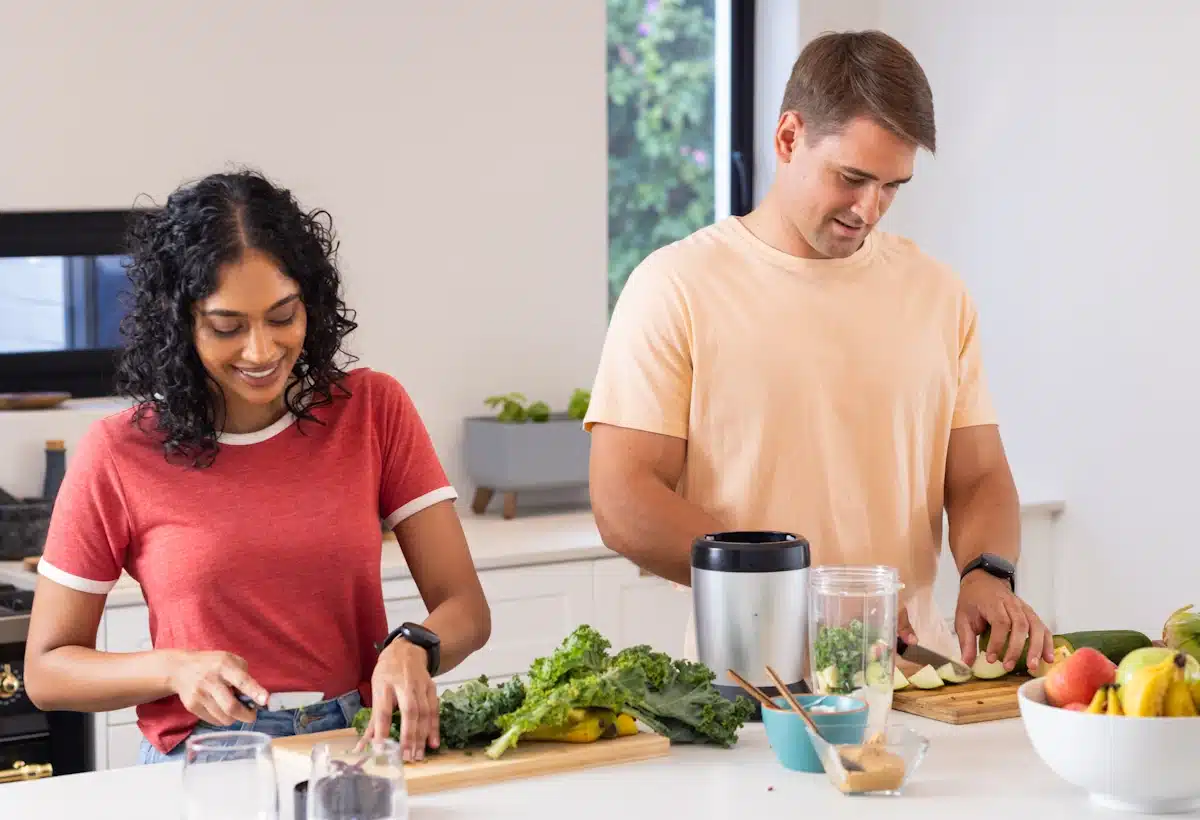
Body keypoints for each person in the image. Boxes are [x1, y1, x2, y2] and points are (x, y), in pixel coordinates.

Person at [584, 30, 1056, 676]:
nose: (869, 209)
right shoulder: (675, 288)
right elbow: (622, 498)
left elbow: (976, 476)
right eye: (852, 177)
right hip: (752, 688)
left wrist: (987, 572)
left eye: (892, 186)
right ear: (787, 138)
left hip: (918, 687)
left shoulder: (939, 295)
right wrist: (803, 592)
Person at [23, 169, 491, 764]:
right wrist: (174, 670)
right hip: (207, 755)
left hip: (352, 745)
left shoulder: (372, 410)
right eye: (227, 327)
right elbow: (47, 669)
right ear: (180, 326)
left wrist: (415, 645)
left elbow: (466, 611)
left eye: (282, 316)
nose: (261, 351)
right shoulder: (117, 452)